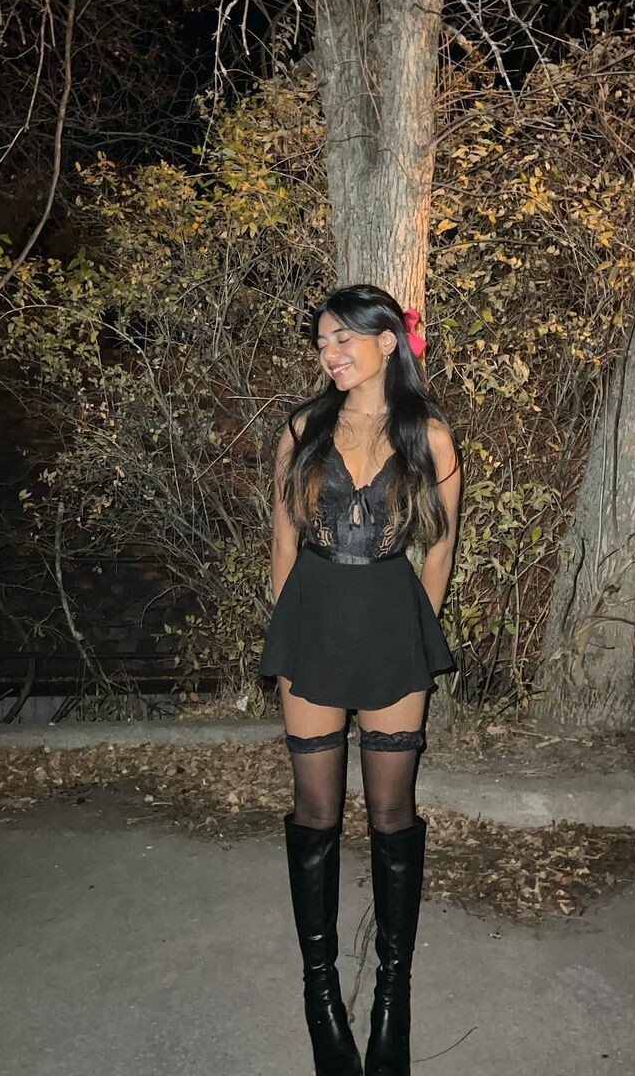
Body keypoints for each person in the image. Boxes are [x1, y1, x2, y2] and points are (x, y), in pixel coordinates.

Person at [258, 283, 461, 1076]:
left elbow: (438, 552)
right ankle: (321, 997)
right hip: (312, 621)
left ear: (387, 342)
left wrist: (413, 631)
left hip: (390, 626)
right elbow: (282, 545)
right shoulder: (303, 429)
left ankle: (391, 1000)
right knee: (315, 809)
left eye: (343, 338)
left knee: (390, 811)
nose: (330, 354)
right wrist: (288, 636)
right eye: (322, 342)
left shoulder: (429, 435)